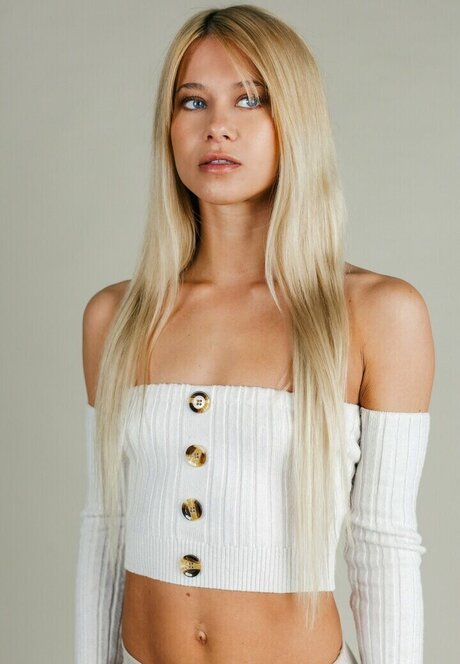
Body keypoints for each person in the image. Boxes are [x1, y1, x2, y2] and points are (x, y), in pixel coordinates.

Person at [75, 5, 435, 664]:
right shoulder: (117, 317)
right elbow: (106, 531)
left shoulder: (379, 314)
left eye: (250, 99)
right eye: (193, 102)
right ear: (168, 127)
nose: (218, 126)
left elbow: (384, 549)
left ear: (294, 120)